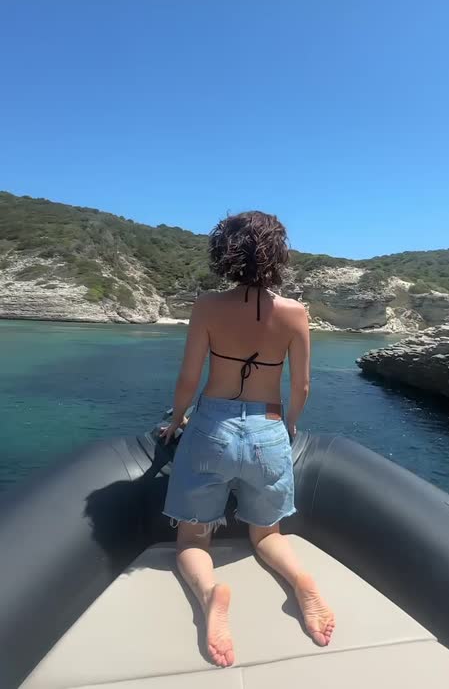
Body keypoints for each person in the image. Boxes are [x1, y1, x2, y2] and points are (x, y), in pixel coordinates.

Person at [160, 212, 334, 668]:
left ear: (225, 253)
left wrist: (176, 421)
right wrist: (288, 424)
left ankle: (210, 593)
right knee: (267, 533)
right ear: (279, 255)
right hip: (267, 428)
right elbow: (302, 387)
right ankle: (301, 582)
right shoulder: (295, 313)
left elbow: (188, 378)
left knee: (192, 540)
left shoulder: (207, 305)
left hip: (211, 429)